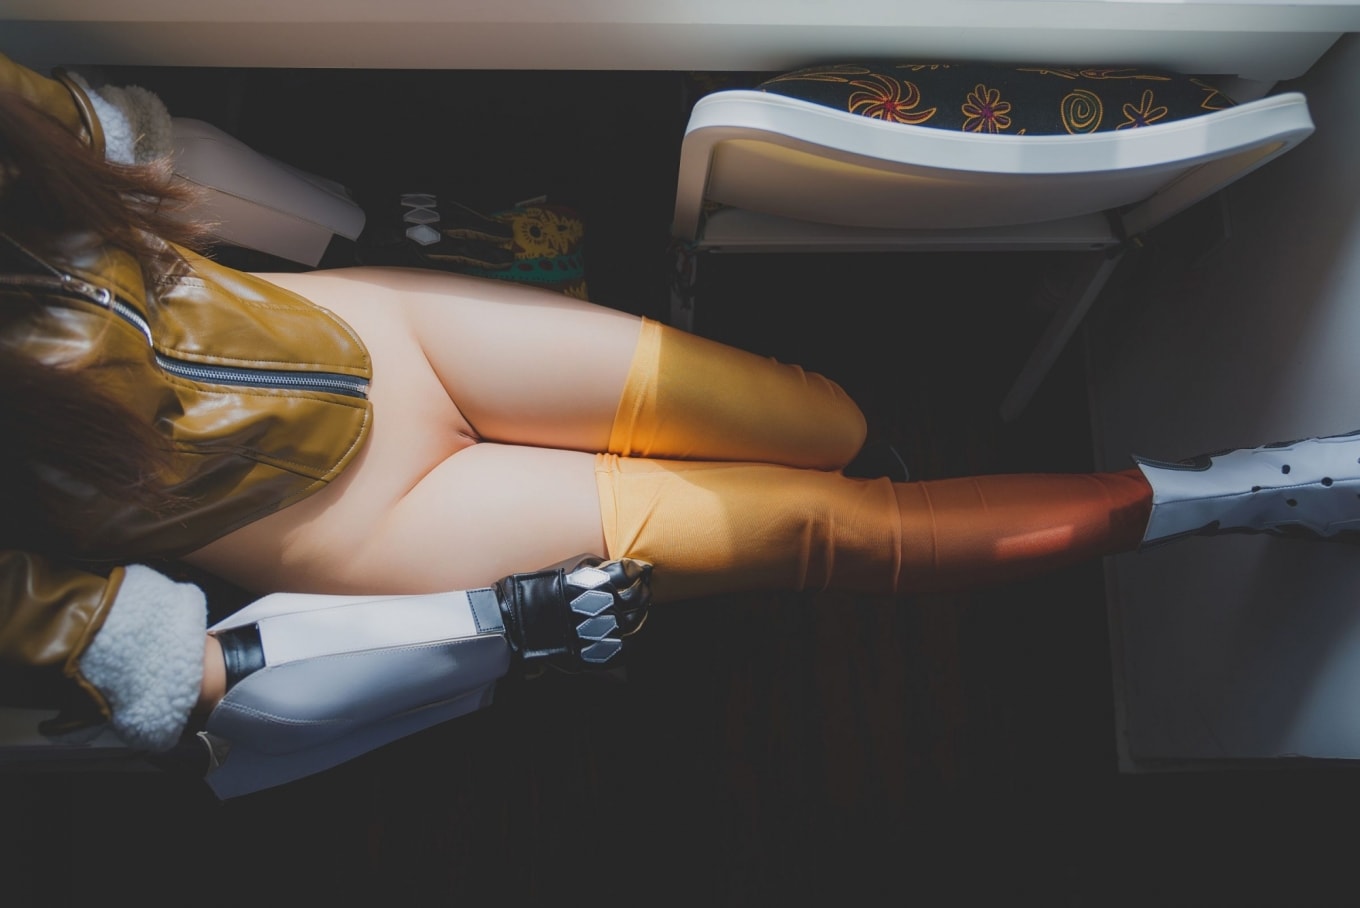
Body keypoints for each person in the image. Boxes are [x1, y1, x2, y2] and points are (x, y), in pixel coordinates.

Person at [2, 53, 1357, 798]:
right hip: (348, 519)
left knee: (821, 419)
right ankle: (1228, 493)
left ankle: (898, 470)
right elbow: (129, 656)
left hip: (379, 331)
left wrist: (347, 222)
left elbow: (128, 148)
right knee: (838, 531)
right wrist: (483, 630)